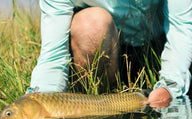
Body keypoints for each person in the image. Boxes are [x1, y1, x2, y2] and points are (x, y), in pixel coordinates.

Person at [28, 0, 192, 107]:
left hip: (160, 48)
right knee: (91, 24)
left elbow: (182, 28)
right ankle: (101, 109)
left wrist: (170, 87)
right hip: (104, 52)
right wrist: (40, 102)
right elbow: (53, 57)